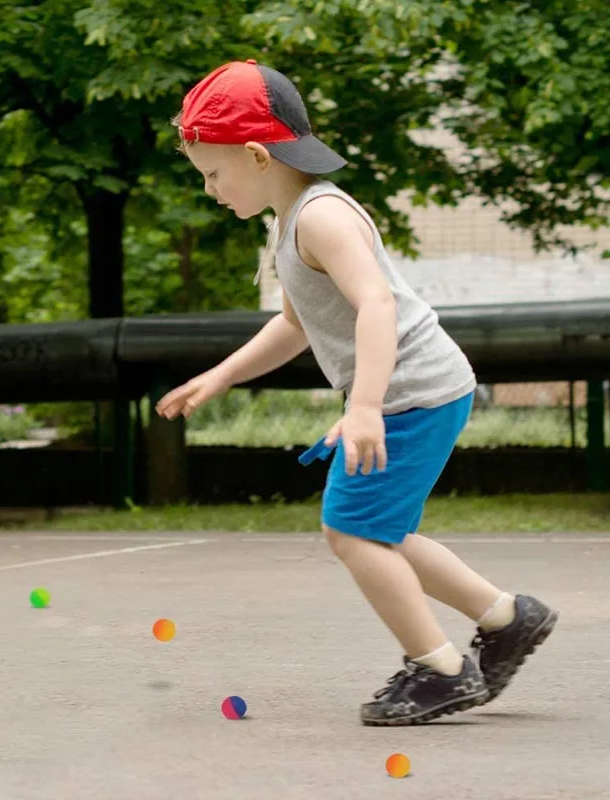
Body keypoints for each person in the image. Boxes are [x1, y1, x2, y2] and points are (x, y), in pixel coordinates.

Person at [155, 60, 558, 726]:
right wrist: (222, 373)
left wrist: (364, 406)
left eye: (213, 173)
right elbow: (294, 325)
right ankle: (508, 618)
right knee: (380, 530)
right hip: (410, 390)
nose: (209, 189)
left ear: (257, 157)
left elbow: (376, 303)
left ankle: (441, 669)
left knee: (351, 530)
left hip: (409, 393)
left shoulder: (321, 217)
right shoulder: (288, 221)